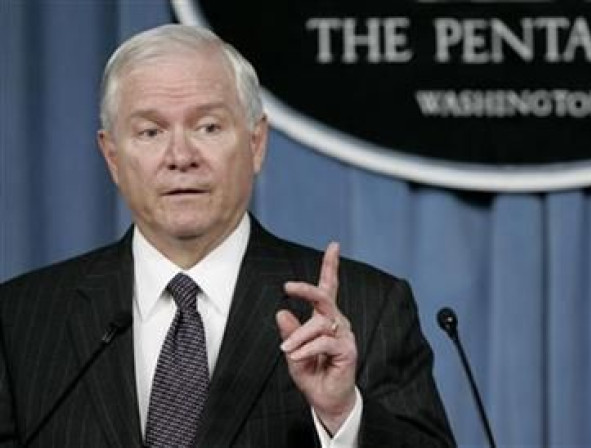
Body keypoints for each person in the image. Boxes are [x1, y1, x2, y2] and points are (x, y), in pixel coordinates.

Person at [0, 24, 455, 447]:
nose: (180, 156)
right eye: (151, 131)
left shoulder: (367, 308)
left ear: (256, 144)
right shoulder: (21, 319)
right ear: (113, 157)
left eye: (208, 127)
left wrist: (342, 414)